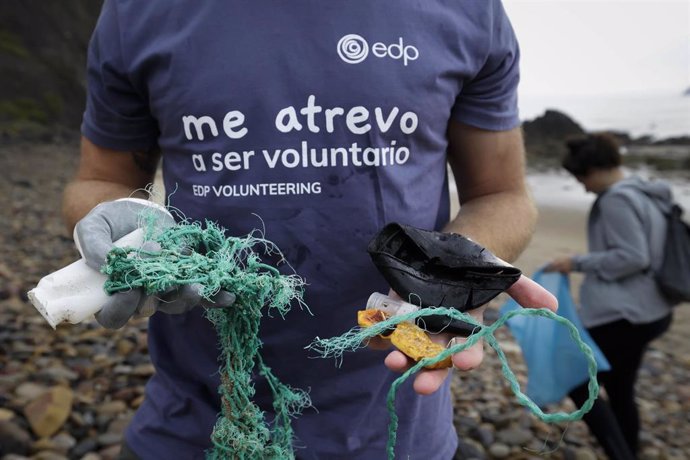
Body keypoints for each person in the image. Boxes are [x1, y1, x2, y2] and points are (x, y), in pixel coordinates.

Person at [64, 1, 557, 458]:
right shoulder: (138, 11)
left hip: (393, 429)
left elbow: (500, 195)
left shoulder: (468, 11)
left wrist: (453, 266)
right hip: (189, 426)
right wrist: (122, 232)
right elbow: (101, 179)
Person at [546, 133, 674, 459]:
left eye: (581, 176)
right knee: (619, 388)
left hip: (626, 314)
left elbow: (634, 256)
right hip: (653, 309)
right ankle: (627, 449)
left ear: (594, 168)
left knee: (574, 377)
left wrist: (576, 262)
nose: (582, 185)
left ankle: (620, 454)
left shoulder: (617, 199)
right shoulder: (648, 193)